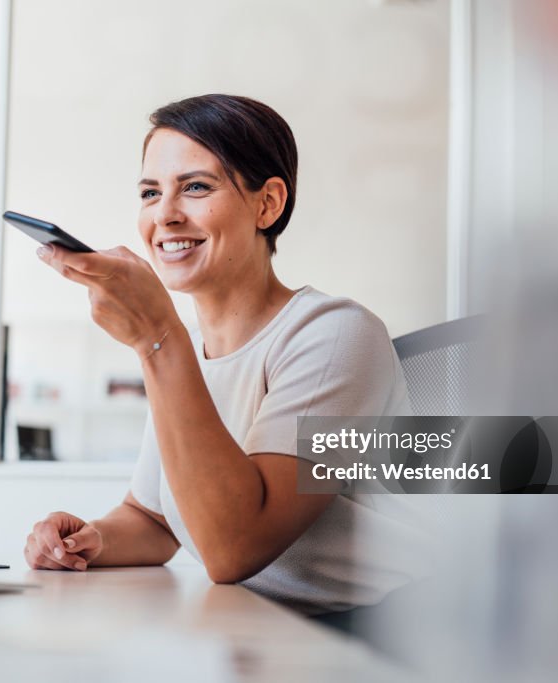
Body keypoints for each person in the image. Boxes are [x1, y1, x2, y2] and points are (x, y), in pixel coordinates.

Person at [25, 94, 430, 616]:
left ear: (268, 204)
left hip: (375, 633)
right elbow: (155, 519)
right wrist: (90, 541)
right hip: (263, 626)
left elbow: (234, 548)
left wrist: (156, 338)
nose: (165, 215)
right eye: (151, 192)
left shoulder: (336, 335)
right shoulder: (186, 349)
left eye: (195, 187)